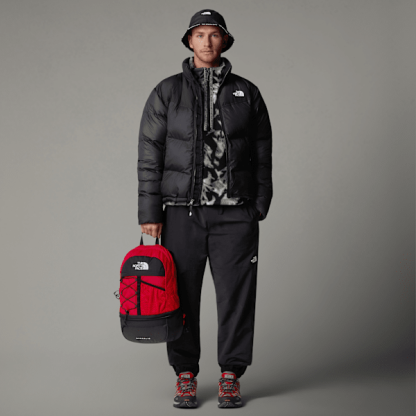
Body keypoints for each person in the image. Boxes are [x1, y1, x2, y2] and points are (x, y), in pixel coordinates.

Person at [138, 9, 272, 409]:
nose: (208, 41)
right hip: (182, 212)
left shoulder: (246, 92)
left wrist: (259, 204)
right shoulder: (167, 92)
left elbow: (262, 152)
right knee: (179, 296)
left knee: (237, 297)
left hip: (236, 214)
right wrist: (150, 212)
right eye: (200, 34)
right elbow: (150, 153)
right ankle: (185, 375)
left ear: (225, 41)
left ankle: (231, 375)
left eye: (215, 34)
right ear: (189, 41)